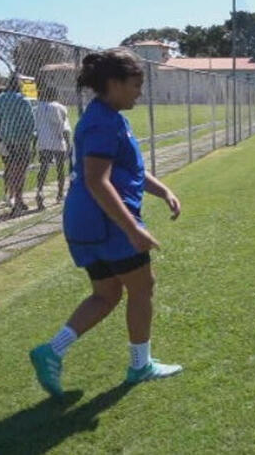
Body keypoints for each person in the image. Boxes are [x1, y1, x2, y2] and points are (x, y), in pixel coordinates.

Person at [29, 49, 183, 397]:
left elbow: (128, 170)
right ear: (113, 83)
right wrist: (133, 228)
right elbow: (98, 179)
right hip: (108, 222)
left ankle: (51, 351)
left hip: (85, 221)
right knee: (142, 287)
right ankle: (140, 365)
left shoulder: (108, 116)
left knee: (107, 293)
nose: (139, 91)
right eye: (135, 83)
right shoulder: (103, 121)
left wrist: (164, 191)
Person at [0, 75, 36, 215]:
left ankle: (12, 195)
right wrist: (32, 136)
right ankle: (18, 199)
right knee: (21, 170)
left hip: (7, 139)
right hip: (22, 139)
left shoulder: (0, 99)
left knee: (11, 168)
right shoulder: (23, 100)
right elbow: (30, 120)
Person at [33, 85, 71, 209]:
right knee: (60, 168)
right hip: (58, 141)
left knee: (43, 168)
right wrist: (68, 143)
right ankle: (60, 193)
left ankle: (39, 191)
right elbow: (64, 128)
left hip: (43, 141)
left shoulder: (38, 107)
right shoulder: (59, 107)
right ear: (55, 95)